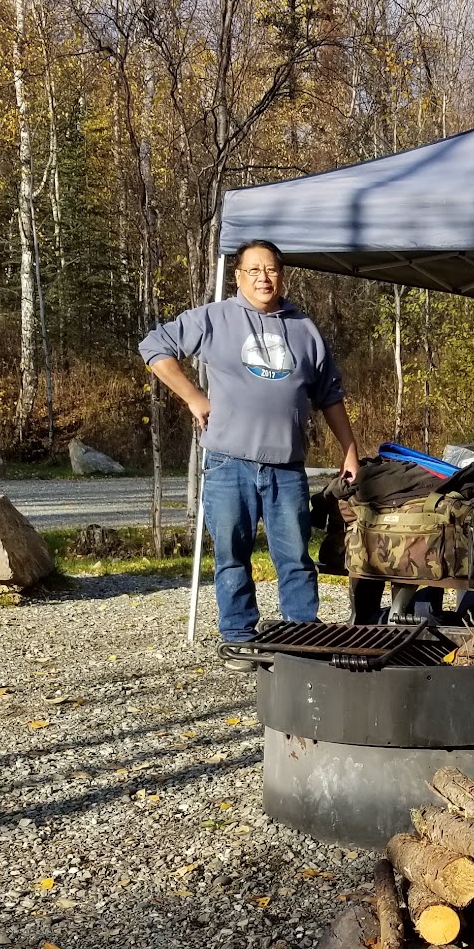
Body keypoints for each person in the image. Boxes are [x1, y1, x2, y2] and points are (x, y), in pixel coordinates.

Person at [140, 240, 360, 652]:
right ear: (237, 275)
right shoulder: (214, 319)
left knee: (295, 558)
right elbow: (154, 347)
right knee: (231, 556)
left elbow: (329, 394)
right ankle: (239, 638)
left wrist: (349, 449)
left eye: (272, 269)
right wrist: (192, 395)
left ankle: (302, 638)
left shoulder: (304, 329)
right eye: (254, 270)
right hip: (228, 464)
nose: (264, 277)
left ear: (282, 275)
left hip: (286, 466)